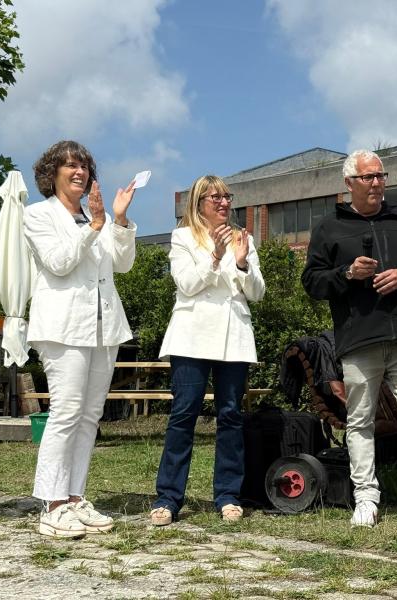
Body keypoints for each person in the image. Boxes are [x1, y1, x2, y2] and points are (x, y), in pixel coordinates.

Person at [302, 149, 397, 529]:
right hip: (359, 339)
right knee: (360, 420)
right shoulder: (329, 227)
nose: (377, 183)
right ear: (349, 183)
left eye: (381, 176)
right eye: (369, 177)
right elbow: (312, 282)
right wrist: (347, 273)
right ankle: (366, 497)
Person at [25, 140, 137, 538]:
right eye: (71, 165)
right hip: (63, 327)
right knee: (66, 412)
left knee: (90, 415)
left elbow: (122, 264)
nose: (80, 171)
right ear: (51, 173)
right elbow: (58, 263)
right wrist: (93, 229)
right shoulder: (37, 215)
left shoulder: (96, 216)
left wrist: (118, 221)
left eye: (85, 165)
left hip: (104, 328)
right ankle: (52, 504)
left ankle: (74, 497)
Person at [150, 175, 265, 526]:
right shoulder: (183, 237)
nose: (223, 202)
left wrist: (242, 263)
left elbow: (257, 292)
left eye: (226, 196)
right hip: (191, 337)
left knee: (230, 414)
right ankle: (168, 497)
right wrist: (215, 255)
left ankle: (228, 495)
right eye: (215, 197)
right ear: (199, 203)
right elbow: (186, 284)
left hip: (233, 336)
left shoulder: (243, 238)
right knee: (183, 414)